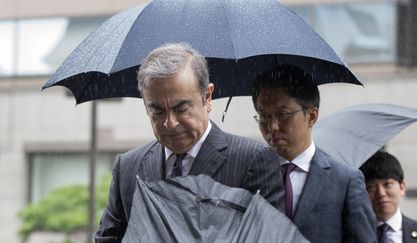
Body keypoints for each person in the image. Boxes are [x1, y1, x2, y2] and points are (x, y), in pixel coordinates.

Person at [95, 43, 285, 242]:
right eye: (157, 111)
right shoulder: (127, 167)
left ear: (207, 97)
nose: (170, 123)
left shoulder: (252, 161)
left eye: (181, 108)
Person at [251, 65, 377, 243]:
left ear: (311, 116)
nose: (272, 127)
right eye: (263, 116)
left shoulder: (344, 181)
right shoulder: (248, 178)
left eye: (282, 114)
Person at [360, 150, 417, 243]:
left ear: (402, 187)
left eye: (387, 184)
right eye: (371, 187)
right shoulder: (353, 235)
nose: (381, 193)